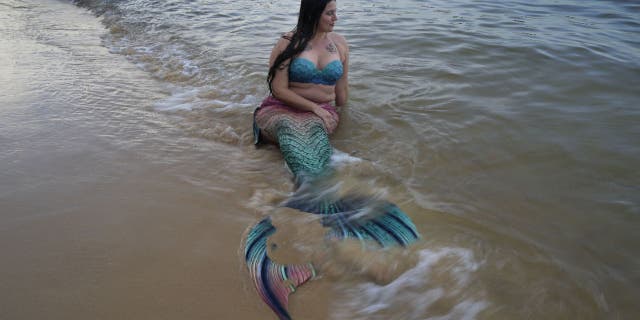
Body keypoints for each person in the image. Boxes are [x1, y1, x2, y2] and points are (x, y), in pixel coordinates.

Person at [253, 0, 348, 177]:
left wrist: (343, 120)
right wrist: (314, 108)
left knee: (312, 131)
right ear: (313, 13)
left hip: (322, 112)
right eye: (330, 13)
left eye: (335, 12)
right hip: (280, 109)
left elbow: (341, 91)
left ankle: (318, 184)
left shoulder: (340, 44)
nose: (336, 18)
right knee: (288, 125)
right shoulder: (288, 42)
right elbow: (278, 89)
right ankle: (312, 189)